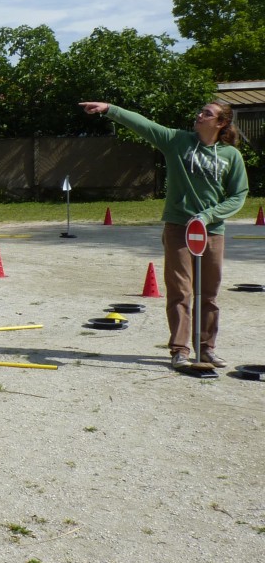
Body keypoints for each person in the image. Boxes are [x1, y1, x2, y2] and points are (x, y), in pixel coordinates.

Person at [79, 100, 248, 369]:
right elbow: (142, 124)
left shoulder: (230, 155)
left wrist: (208, 216)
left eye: (207, 113)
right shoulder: (177, 141)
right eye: (200, 110)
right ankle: (180, 350)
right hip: (179, 228)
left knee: (209, 293)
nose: (199, 114)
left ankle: (206, 349)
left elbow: (239, 195)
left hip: (211, 231)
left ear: (221, 123)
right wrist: (110, 109)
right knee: (180, 291)